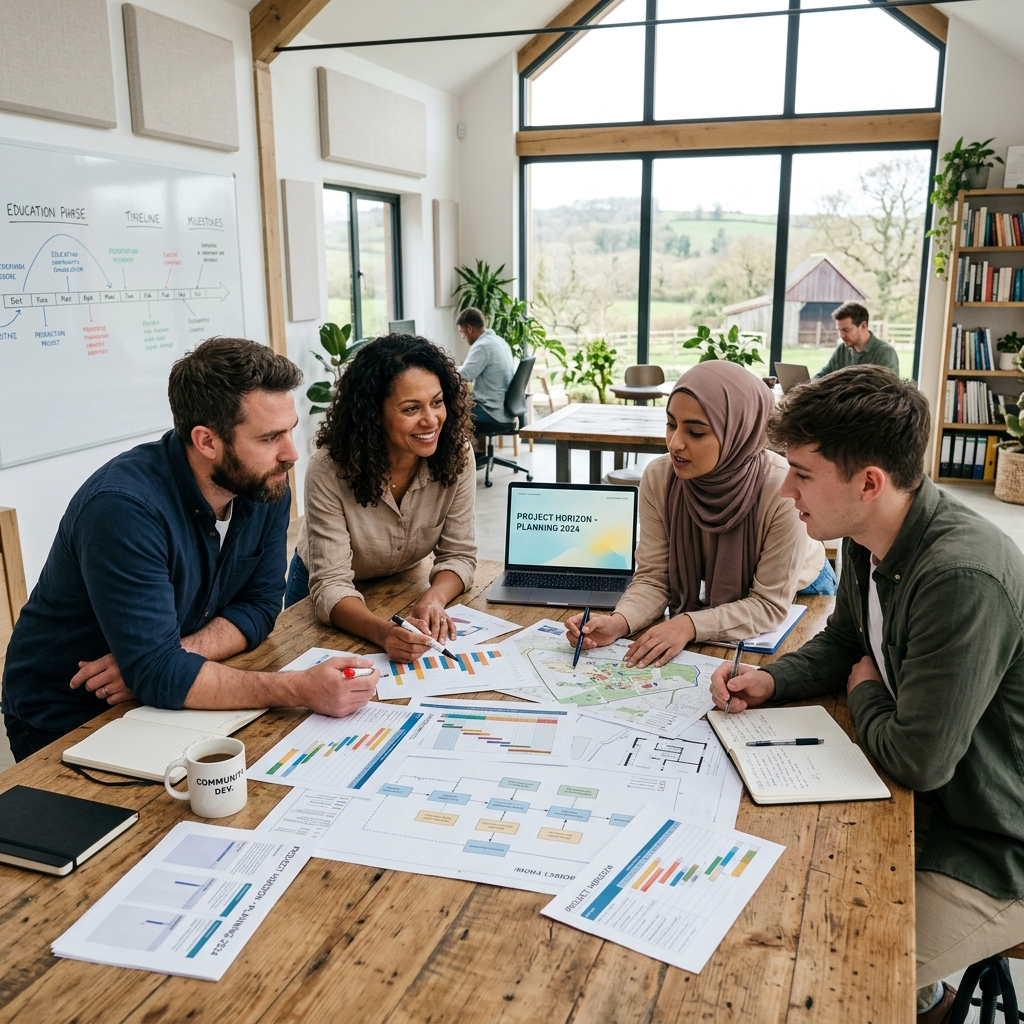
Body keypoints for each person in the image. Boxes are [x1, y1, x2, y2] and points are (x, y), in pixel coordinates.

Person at [709, 365, 1024, 1023]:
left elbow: (918, 758)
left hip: (990, 845)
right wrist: (773, 679)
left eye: (801, 473)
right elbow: (846, 641)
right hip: (925, 807)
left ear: (869, 482)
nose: (785, 490)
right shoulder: (864, 535)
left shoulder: (959, 577)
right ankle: (926, 998)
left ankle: (919, 999)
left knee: (828, 978)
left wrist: (868, 694)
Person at [2, 337, 379, 762]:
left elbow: (258, 607)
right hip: (66, 713)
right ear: (206, 441)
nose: (291, 453)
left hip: (161, 690)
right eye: (271, 436)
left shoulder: (263, 483)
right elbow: (160, 674)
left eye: (290, 429)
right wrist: (298, 688)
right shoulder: (123, 509)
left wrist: (165, 660)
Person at [566, 360, 831, 668]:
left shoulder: (781, 488)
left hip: (804, 592)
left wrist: (687, 625)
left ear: (739, 431)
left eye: (695, 431)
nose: (675, 442)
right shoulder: (660, 476)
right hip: (728, 599)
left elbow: (768, 605)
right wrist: (620, 621)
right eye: (671, 424)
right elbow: (654, 578)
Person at [284, 333, 477, 662]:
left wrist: (433, 599)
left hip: (400, 581)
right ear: (374, 413)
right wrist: (384, 632)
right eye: (411, 408)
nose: (431, 420)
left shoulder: (456, 456)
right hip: (328, 596)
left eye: (437, 401)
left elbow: (458, 555)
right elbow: (331, 585)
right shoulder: (329, 470)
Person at [456, 306, 514, 427]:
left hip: (491, 412)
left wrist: (446, 370)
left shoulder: (482, 346)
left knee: (451, 412)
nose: (462, 337)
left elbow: (464, 376)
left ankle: (466, 446)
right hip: (505, 411)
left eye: (462, 332)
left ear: (469, 328)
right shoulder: (499, 341)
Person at [814, 301, 900, 378]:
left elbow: (888, 392)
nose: (841, 335)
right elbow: (823, 375)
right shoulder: (842, 349)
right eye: (839, 330)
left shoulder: (885, 353)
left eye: (846, 330)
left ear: (863, 326)